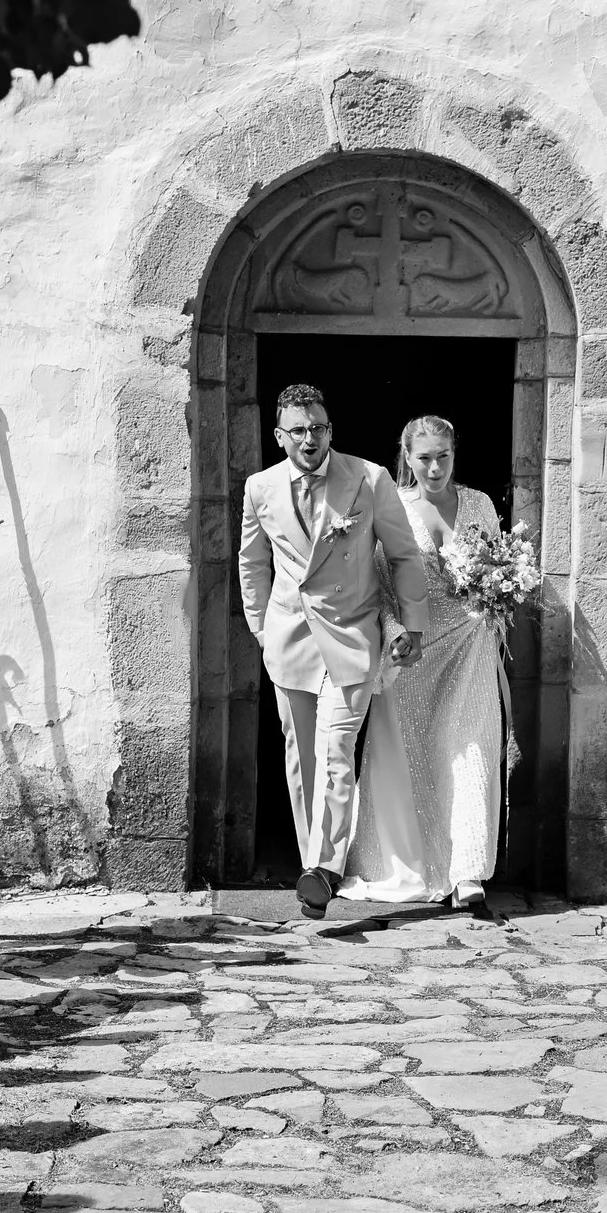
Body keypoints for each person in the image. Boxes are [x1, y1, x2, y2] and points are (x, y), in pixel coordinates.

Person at [238, 384, 430, 921]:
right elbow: (252, 561)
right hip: (290, 641)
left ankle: (324, 868)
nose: (309, 438)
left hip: (352, 636)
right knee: (300, 757)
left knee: (335, 753)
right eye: (298, 429)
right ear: (280, 436)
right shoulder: (260, 487)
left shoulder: (370, 478)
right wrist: (260, 627)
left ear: (331, 429)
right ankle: (311, 869)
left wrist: (412, 622)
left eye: (318, 427)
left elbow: (403, 554)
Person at [340, 415, 506, 914]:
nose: (435, 468)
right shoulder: (394, 506)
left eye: (444, 457)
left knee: (469, 746)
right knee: (414, 751)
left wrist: (498, 597)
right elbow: (376, 582)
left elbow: (497, 568)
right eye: (425, 458)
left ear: (455, 455)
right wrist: (394, 633)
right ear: (407, 458)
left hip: (471, 643)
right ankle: (410, 861)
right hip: (413, 649)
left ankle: (468, 872)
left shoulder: (480, 505)